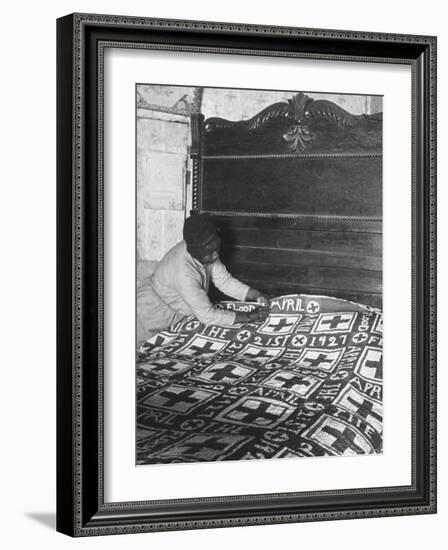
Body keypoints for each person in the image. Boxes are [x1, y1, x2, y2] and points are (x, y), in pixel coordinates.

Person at [137, 215, 270, 346]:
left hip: (176, 309)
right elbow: (207, 315)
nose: (216, 255)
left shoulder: (206, 250)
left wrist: (255, 294)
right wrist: (249, 316)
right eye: (211, 252)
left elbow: (223, 281)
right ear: (192, 251)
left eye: (217, 248)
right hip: (150, 314)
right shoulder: (184, 273)